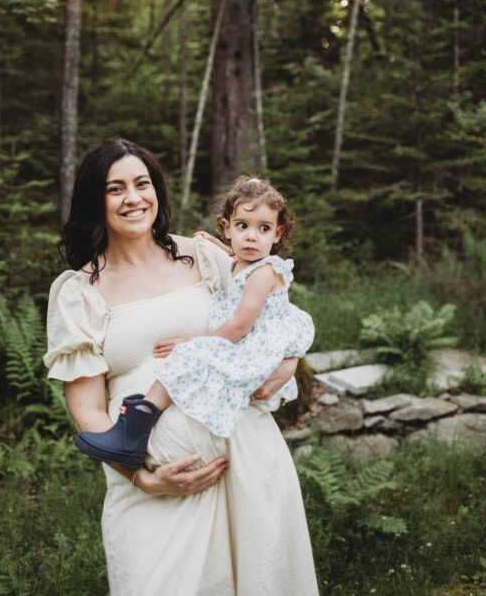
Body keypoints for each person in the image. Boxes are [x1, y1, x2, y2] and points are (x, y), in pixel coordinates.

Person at [44, 138, 327, 596]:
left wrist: (286, 367)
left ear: (157, 191)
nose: (133, 198)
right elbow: (86, 409)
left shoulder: (205, 258)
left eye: (142, 183)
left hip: (247, 464)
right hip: (153, 487)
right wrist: (144, 478)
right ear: (94, 200)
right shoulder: (78, 291)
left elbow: (276, 322)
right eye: (116, 188)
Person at [73, 174, 314, 466]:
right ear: (227, 229)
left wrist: (196, 345)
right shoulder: (242, 261)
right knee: (186, 361)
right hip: (243, 344)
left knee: (185, 358)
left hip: (249, 350)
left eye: (264, 228)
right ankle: (133, 429)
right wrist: (219, 246)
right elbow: (234, 262)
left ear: (278, 233)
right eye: (242, 227)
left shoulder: (263, 272)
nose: (251, 237)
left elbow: (240, 325)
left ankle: (137, 424)